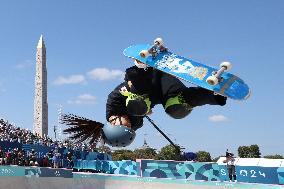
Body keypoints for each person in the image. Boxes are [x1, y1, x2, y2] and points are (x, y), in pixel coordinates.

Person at [62, 57, 227, 147]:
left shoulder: (112, 104)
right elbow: (139, 118)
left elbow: (123, 88)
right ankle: (213, 95)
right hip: (164, 89)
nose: (129, 125)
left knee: (135, 105)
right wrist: (145, 111)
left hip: (150, 78)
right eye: (129, 128)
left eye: (124, 126)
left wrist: (132, 86)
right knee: (176, 110)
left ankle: (141, 66)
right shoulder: (135, 126)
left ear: (114, 121)